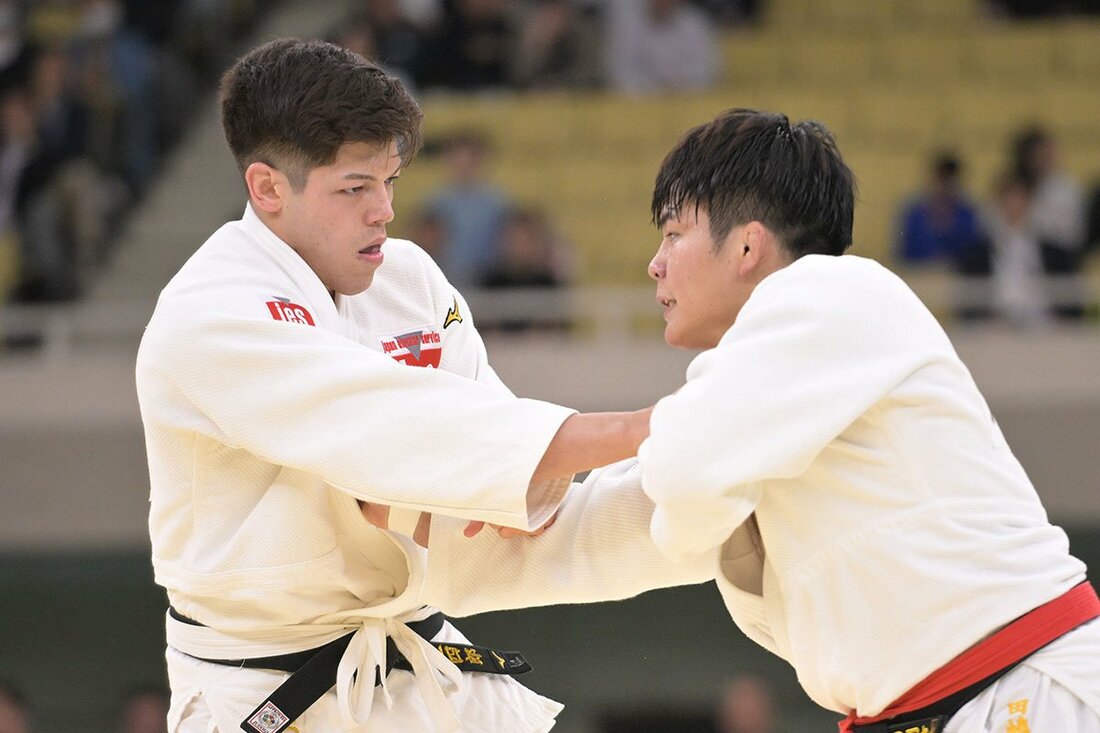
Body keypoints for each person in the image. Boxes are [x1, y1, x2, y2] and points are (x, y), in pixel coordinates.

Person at [136, 37, 704, 733]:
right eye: (355, 188)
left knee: (700, 508)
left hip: (416, 655)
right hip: (266, 692)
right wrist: (652, 427)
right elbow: (408, 436)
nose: (385, 211)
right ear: (267, 188)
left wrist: (717, 481)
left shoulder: (407, 279)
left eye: (391, 182)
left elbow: (501, 501)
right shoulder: (213, 312)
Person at [631, 109, 1099, 732]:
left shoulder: (831, 290)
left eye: (673, 234)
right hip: (920, 708)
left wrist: (671, 513)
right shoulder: (769, 392)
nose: (655, 264)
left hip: (1021, 684)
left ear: (747, 244)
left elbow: (681, 477)